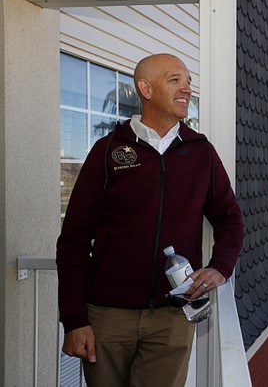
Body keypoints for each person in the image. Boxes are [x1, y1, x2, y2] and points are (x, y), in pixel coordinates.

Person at [56, 54, 244, 386]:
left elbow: (230, 219)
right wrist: (74, 320)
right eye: (175, 80)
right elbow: (73, 237)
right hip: (106, 317)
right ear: (146, 88)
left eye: (188, 81)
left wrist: (221, 267)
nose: (187, 88)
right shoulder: (109, 150)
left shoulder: (201, 152)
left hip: (172, 318)